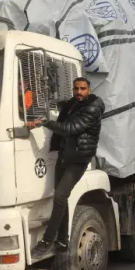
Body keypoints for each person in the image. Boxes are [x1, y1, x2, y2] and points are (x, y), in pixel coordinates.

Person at [26, 77, 105, 260]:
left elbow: (70, 128)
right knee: (61, 198)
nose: (79, 92)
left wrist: (45, 122)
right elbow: (61, 108)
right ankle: (62, 241)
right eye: (76, 88)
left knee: (60, 196)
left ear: (89, 90)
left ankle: (46, 241)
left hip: (78, 159)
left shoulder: (92, 109)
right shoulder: (72, 104)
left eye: (83, 89)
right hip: (65, 156)